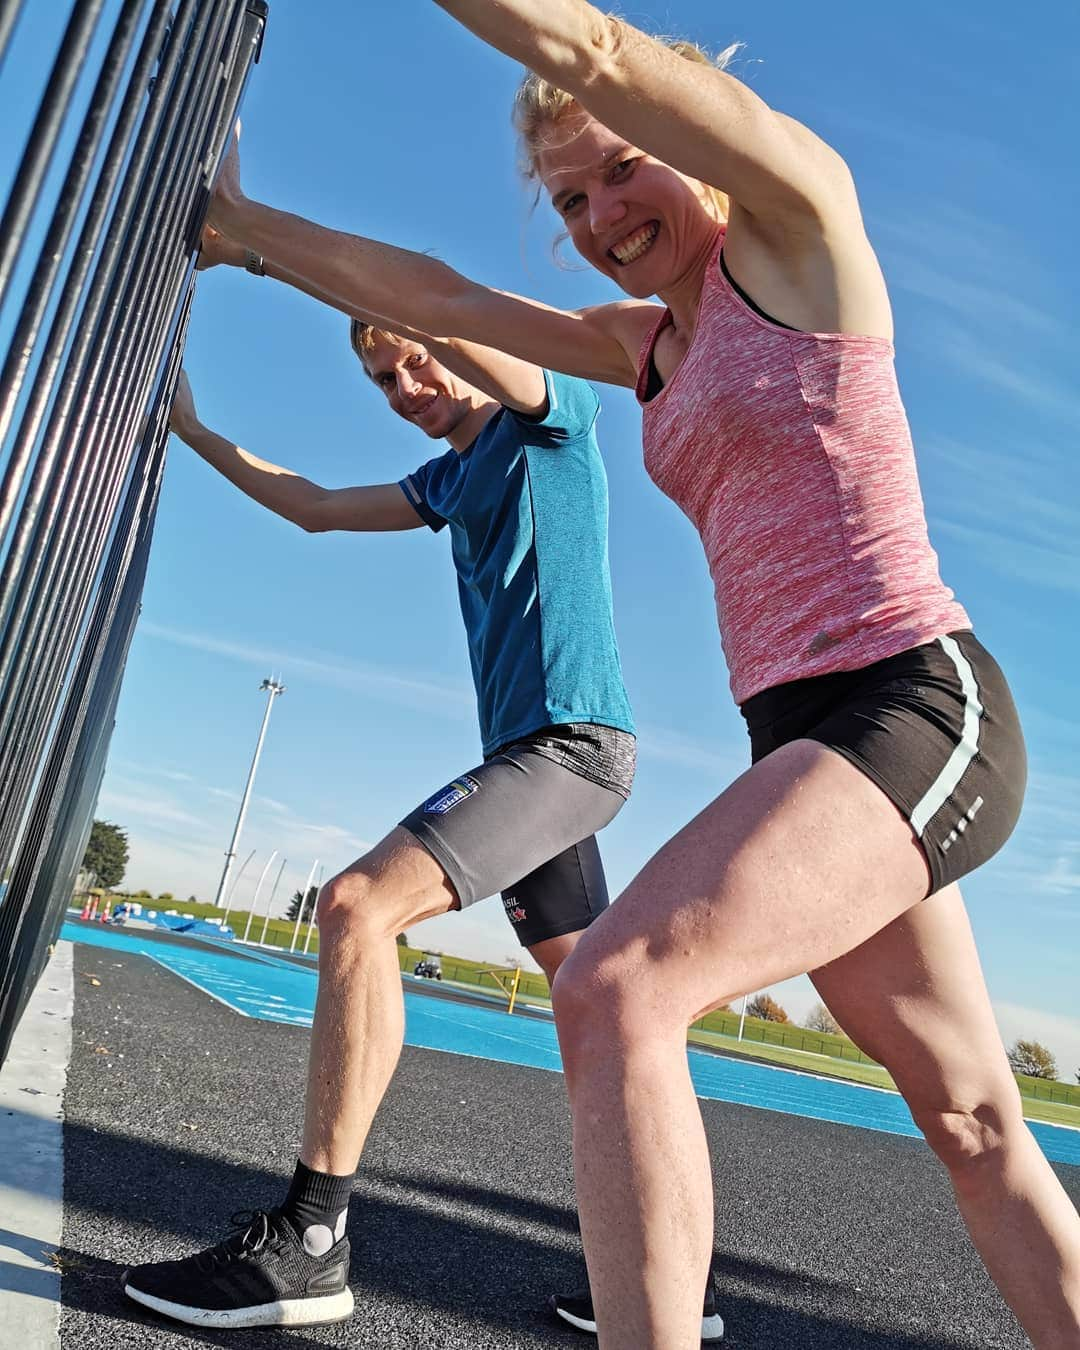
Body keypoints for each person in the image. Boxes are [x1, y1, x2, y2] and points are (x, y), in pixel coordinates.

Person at [183, 3, 1080, 1345]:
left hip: (916, 702)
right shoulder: (642, 344)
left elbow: (597, 55)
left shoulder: (803, 231)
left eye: (622, 167)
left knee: (618, 986)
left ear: (696, 155)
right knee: (970, 1118)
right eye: (572, 198)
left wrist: (574, 65)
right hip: (806, 740)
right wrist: (248, 241)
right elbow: (439, 298)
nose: (604, 210)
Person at [121, 246, 641, 1330]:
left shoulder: (553, 418)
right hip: (529, 765)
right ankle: (668, 1273)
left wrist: (271, 252)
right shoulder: (449, 479)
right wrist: (194, 428)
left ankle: (312, 1241)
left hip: (568, 750)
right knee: (602, 1008)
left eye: (417, 365)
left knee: (358, 905)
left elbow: (450, 318)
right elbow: (310, 505)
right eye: (385, 382)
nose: (410, 392)